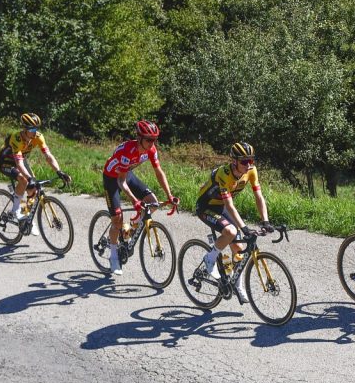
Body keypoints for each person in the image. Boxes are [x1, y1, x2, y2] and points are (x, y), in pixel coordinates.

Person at [101, 120, 178, 275]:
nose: (152, 143)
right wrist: (134, 200)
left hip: (127, 174)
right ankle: (114, 255)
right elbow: (120, 181)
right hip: (112, 178)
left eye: (154, 140)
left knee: (153, 203)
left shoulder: (151, 150)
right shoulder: (127, 151)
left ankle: (132, 226)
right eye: (149, 139)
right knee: (117, 218)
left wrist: (169, 195)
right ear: (139, 137)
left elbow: (159, 172)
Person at [195, 142, 272, 280]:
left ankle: (234, 281)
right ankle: (210, 258)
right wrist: (244, 228)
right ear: (234, 161)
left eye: (251, 160)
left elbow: (258, 196)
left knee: (238, 250)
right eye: (244, 161)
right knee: (231, 231)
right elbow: (230, 205)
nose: (248, 165)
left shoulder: (251, 171)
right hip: (206, 207)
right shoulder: (224, 174)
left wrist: (265, 221)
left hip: (221, 207)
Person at [0, 113, 71, 232]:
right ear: (25, 129)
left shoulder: (38, 137)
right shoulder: (17, 138)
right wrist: (29, 178)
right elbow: (19, 164)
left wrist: (59, 171)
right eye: (32, 129)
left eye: (36, 128)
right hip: (6, 161)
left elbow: (48, 156)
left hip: (20, 160)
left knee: (33, 190)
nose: (35, 132)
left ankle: (24, 215)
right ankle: (15, 210)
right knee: (24, 180)